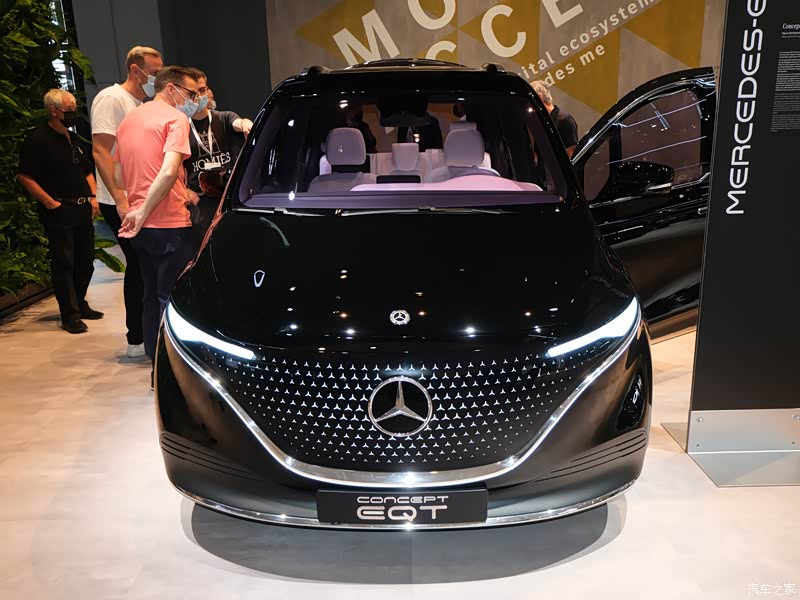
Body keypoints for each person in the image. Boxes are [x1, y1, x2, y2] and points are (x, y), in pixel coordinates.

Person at [113, 66, 201, 367]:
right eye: (191, 93)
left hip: (141, 227)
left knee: (150, 295)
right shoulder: (175, 119)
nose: (194, 100)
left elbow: (117, 174)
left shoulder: (129, 120)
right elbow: (168, 171)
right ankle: (170, 369)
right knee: (171, 299)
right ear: (171, 88)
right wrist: (144, 210)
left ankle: (155, 364)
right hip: (169, 223)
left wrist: (133, 208)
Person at [91, 45, 163, 357]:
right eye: (154, 72)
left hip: (138, 198)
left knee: (145, 265)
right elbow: (100, 151)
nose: (157, 78)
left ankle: (146, 332)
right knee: (138, 264)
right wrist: (120, 199)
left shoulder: (142, 103)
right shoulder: (111, 99)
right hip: (119, 198)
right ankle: (137, 337)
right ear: (136, 69)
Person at [17, 89, 103, 334]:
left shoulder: (73, 138)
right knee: (64, 263)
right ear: (54, 111)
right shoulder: (38, 140)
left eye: (75, 109)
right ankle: (70, 314)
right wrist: (49, 202)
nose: (73, 114)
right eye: (69, 110)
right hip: (59, 209)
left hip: (82, 207)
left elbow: (86, 171)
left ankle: (80, 302)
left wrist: (94, 197)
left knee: (85, 261)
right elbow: (25, 175)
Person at [183, 69, 252, 243]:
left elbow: (238, 122)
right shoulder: (181, 127)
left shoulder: (224, 118)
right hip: (201, 202)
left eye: (202, 90)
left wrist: (246, 124)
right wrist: (186, 192)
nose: (200, 96)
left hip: (229, 197)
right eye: (194, 93)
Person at [531, 80, 579, 158]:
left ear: (539, 98)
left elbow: (570, 155)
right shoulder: (541, 122)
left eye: (529, 100)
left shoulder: (564, 120)